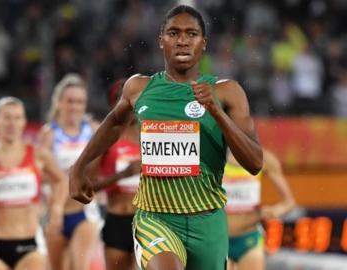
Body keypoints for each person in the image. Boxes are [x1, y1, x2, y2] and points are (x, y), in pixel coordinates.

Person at [69, 5, 263, 270]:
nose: (182, 40)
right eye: (173, 33)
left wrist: (216, 112)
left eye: (191, 33)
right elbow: (114, 122)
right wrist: (79, 166)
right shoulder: (139, 88)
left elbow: (254, 163)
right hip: (155, 218)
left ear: (203, 43)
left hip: (207, 221)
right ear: (161, 40)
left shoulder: (228, 92)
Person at [0, 96, 68, 270]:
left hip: (30, 244)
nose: (12, 123)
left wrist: (57, 208)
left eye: (17, 117)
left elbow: (62, 180)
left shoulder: (38, 154)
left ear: (23, 122)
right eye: (7, 117)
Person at [38, 73, 101, 270]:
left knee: (79, 266)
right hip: (56, 211)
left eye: (80, 102)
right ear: (59, 102)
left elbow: (103, 167)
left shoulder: (93, 130)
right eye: (70, 101)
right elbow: (40, 175)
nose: (75, 106)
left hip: (84, 212)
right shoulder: (49, 134)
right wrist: (63, 175)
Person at [94, 79, 141, 270]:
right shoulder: (107, 137)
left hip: (146, 220)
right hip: (117, 219)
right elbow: (88, 184)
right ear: (114, 104)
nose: (130, 104)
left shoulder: (151, 132)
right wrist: (122, 175)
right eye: (123, 99)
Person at [223, 149, 295, 270]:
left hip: (249, 239)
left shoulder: (263, 158)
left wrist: (274, 211)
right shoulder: (212, 158)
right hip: (220, 238)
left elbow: (289, 202)